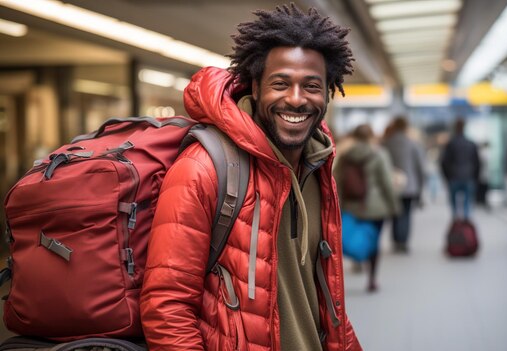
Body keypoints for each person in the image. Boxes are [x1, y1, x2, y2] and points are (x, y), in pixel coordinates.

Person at [139, 4, 362, 350]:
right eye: (280, 83)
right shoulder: (204, 168)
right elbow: (167, 307)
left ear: (328, 92)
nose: (296, 99)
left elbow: (323, 298)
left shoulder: (318, 168)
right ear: (255, 87)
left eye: (312, 85)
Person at [335, 124, 400, 292]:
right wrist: (393, 205)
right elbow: (386, 182)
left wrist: (338, 205)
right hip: (376, 207)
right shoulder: (379, 154)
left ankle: (358, 260)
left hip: (351, 204)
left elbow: (337, 181)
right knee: (374, 241)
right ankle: (372, 279)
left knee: (354, 233)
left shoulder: (345, 156)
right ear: (371, 136)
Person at [382, 117, 425, 253]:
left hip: (392, 184)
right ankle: (403, 242)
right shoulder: (412, 144)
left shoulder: (386, 143)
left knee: (395, 213)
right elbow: (419, 167)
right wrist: (421, 186)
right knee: (406, 214)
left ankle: (395, 240)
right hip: (410, 185)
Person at [440, 118, 480, 220]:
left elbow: (444, 162)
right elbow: (477, 162)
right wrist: (475, 177)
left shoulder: (451, 144)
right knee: (467, 204)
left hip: (454, 177)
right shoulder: (471, 144)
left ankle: (456, 224)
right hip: (468, 177)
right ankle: (465, 225)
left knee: (454, 206)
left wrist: (447, 177)